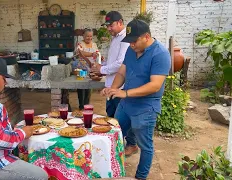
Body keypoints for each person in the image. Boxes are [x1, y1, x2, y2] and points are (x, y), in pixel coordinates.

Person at [101, 19, 171, 179]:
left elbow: (155, 85)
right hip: (126, 105)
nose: (131, 45)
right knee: (115, 135)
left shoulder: (160, 54)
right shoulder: (131, 50)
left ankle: (141, 176)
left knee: (145, 146)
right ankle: (113, 169)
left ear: (146, 36)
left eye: (134, 41)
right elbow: (122, 72)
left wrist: (125, 93)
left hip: (145, 107)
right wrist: (114, 88)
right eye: (129, 41)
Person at [91, 11, 130, 117]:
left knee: (118, 120)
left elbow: (121, 63)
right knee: (110, 117)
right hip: (110, 86)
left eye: (111, 25)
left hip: (119, 88)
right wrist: (102, 63)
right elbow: (114, 60)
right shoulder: (115, 37)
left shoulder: (126, 38)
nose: (108, 29)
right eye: (107, 26)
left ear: (120, 22)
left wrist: (102, 69)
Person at [73, 28, 99, 109]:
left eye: (91, 36)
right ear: (83, 36)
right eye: (87, 36)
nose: (89, 38)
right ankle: (81, 106)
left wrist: (100, 57)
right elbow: (80, 53)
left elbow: (97, 53)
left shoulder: (94, 44)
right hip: (81, 68)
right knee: (81, 86)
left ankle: (86, 106)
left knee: (89, 86)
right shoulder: (80, 44)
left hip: (91, 68)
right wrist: (92, 54)